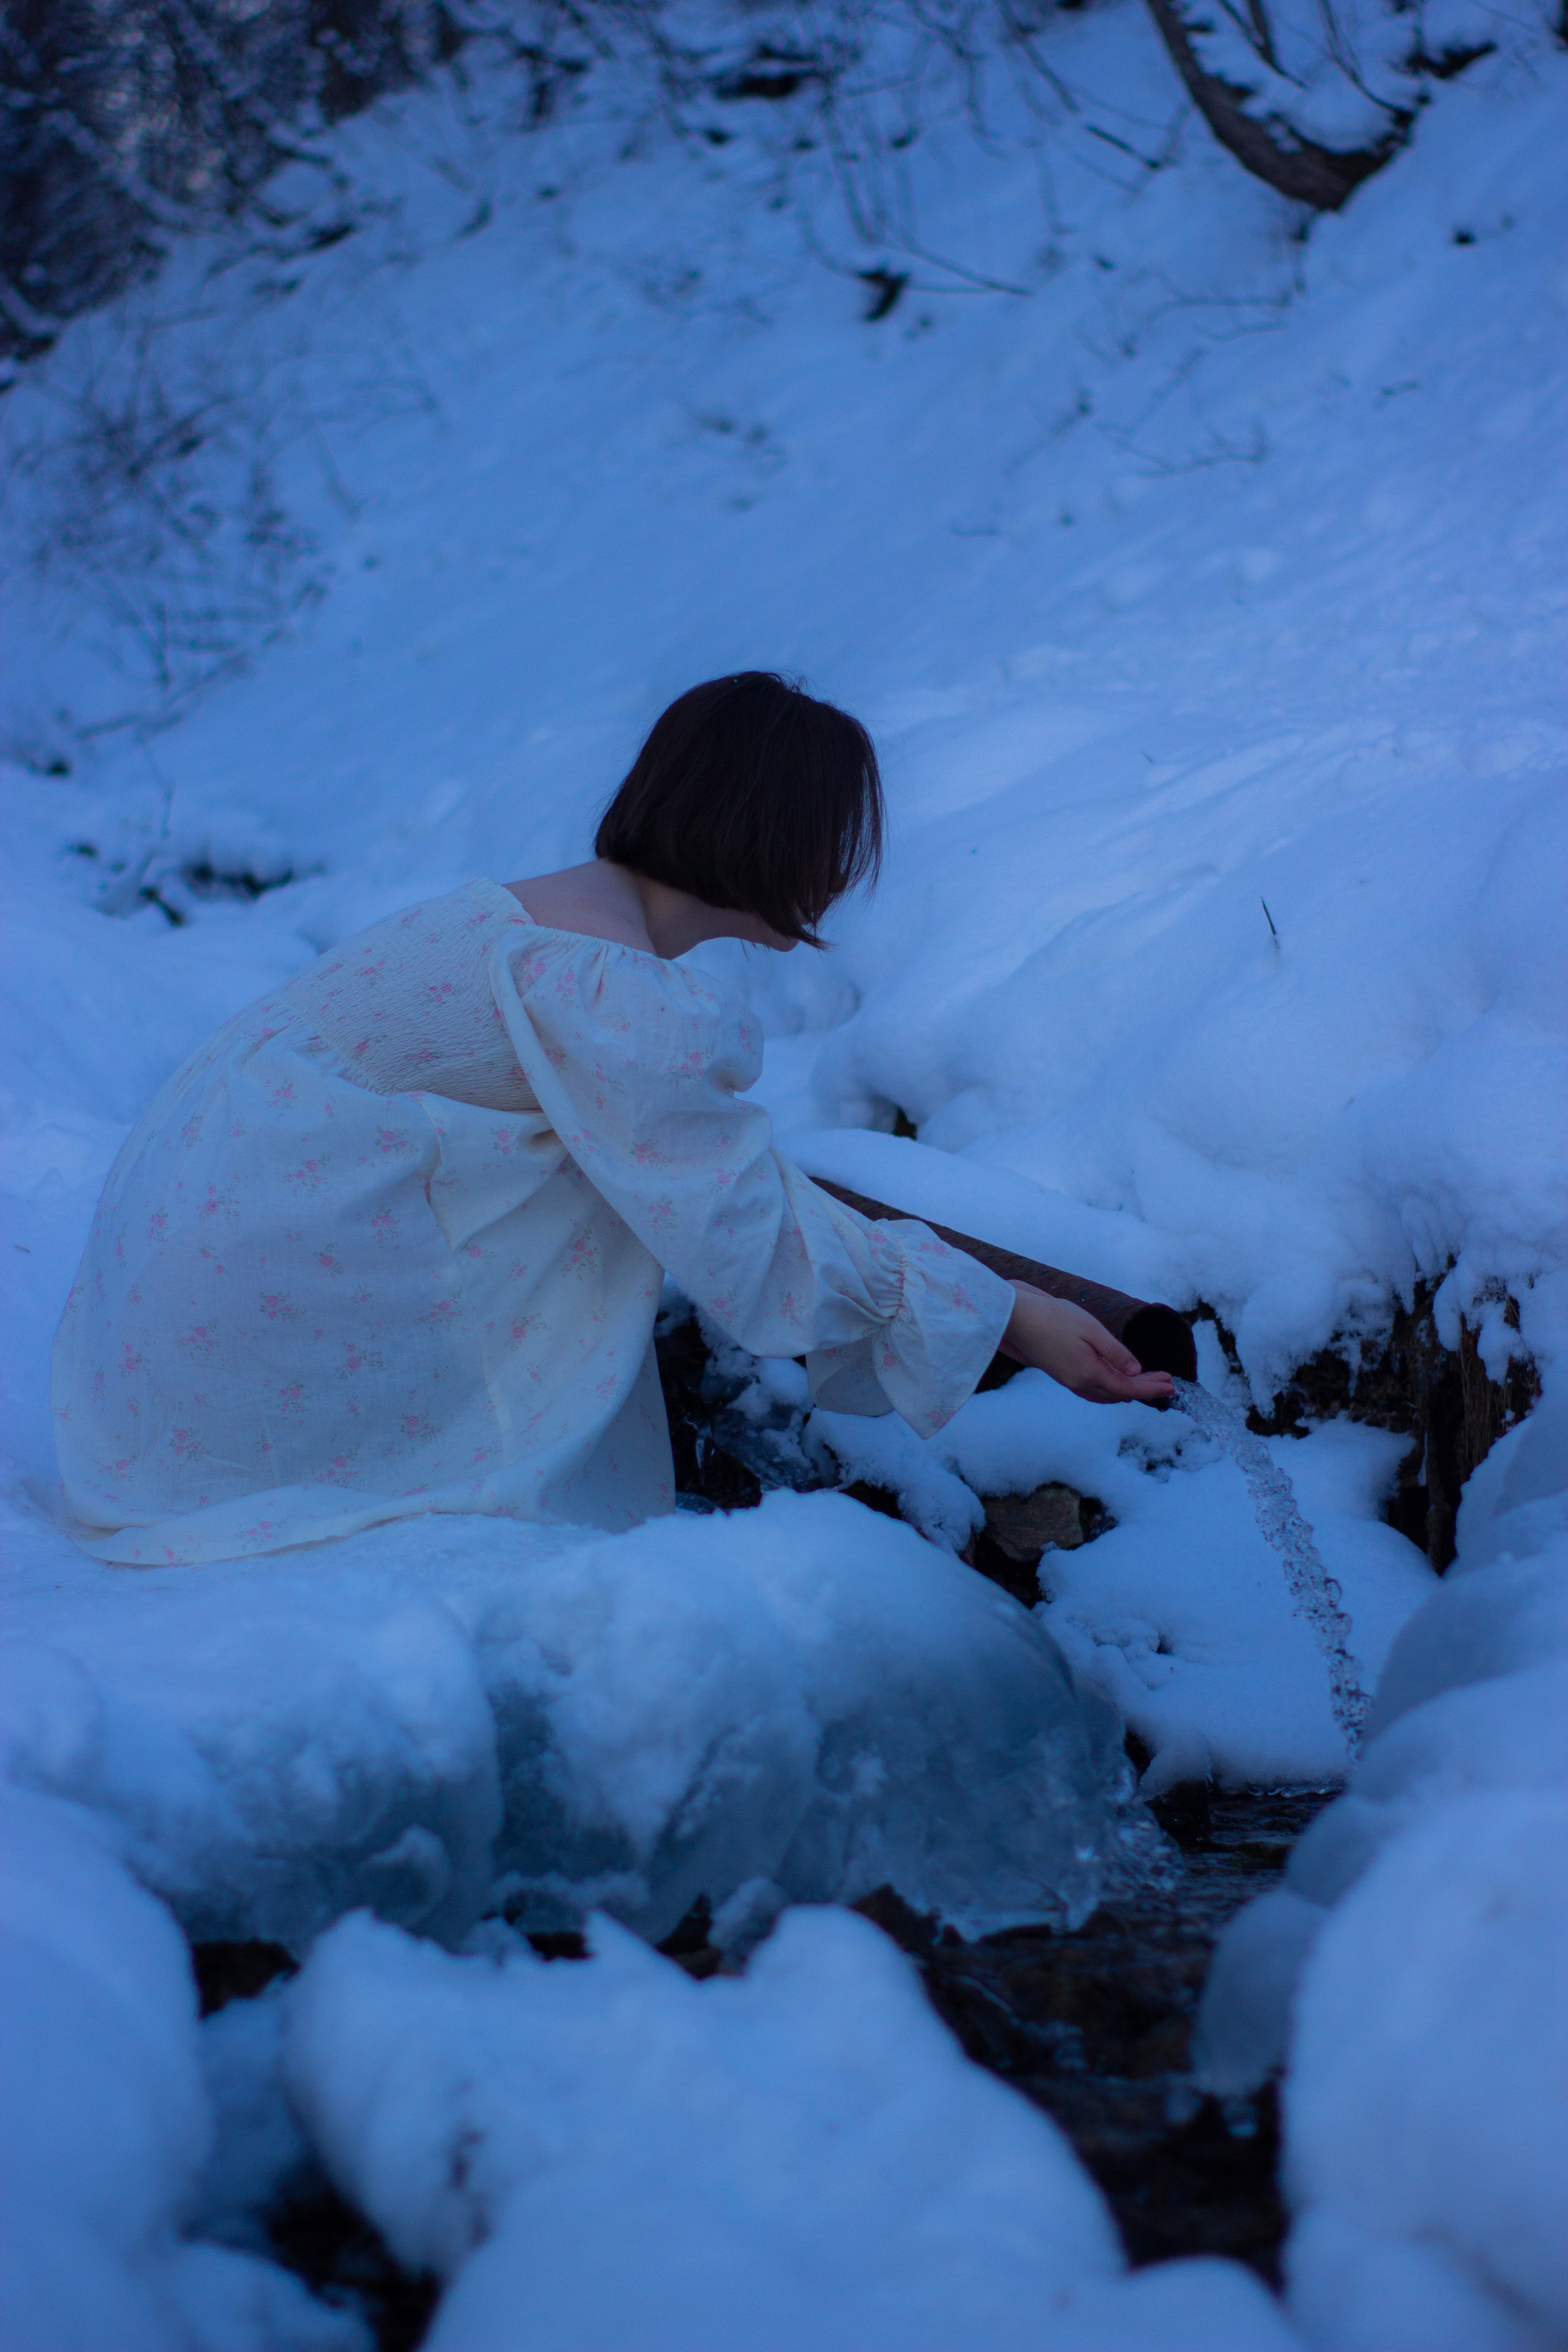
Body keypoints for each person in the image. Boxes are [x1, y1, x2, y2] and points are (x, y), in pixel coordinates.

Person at [51, 673, 1173, 1568]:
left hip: (186, 1295)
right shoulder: (605, 983)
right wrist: (1007, 1314)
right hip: (256, 1312)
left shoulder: (542, 920)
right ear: (767, 832)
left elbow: (699, 1174)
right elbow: (744, 1235)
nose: (842, 876)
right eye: (833, 841)